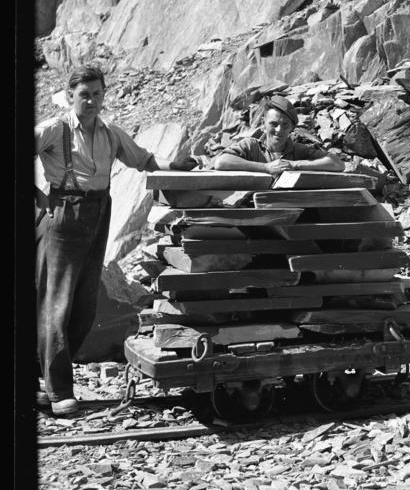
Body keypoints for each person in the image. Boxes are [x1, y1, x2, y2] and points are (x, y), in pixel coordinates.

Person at [35, 65, 197, 416]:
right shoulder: (55, 130)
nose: (91, 101)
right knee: (57, 304)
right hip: (64, 215)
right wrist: (37, 195)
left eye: (96, 94)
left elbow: (145, 160)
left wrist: (182, 167)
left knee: (84, 305)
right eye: (84, 95)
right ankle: (58, 390)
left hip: (98, 213)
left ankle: (45, 381)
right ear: (70, 96)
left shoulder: (110, 134)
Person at [213, 94, 344, 175]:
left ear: (292, 127)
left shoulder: (298, 150)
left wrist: (294, 165)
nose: (279, 130)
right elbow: (221, 162)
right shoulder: (250, 146)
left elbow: (337, 164)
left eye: (285, 125)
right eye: (273, 124)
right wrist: (266, 167)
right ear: (264, 124)